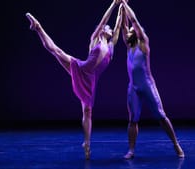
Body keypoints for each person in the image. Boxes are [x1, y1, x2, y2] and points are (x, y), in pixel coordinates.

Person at [25, 0, 123, 160]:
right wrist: (114, 3)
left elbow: (118, 25)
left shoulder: (111, 47)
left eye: (110, 29)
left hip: (90, 80)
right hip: (80, 68)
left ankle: (87, 143)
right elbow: (104, 21)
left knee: (87, 111)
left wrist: (123, 6)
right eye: (107, 28)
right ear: (102, 31)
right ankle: (38, 27)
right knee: (56, 50)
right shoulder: (94, 40)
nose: (110, 28)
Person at [120, 0, 185, 159]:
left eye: (131, 30)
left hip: (147, 86)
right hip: (134, 88)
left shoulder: (143, 42)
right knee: (132, 120)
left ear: (136, 32)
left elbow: (133, 21)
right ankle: (131, 150)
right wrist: (121, 8)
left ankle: (176, 144)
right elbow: (124, 25)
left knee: (161, 116)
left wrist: (124, 3)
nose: (128, 31)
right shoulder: (129, 47)